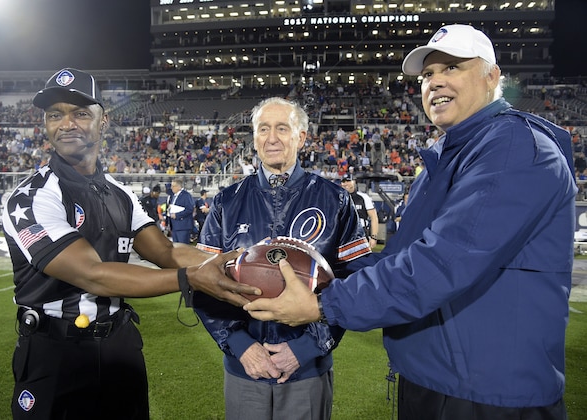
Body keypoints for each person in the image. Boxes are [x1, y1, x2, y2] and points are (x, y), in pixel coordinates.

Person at [245, 25, 576, 419]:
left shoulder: (512, 148)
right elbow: (401, 258)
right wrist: (318, 263)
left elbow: (440, 265)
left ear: (492, 76)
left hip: (488, 391)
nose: (435, 82)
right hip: (442, 377)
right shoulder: (451, 156)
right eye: (426, 76)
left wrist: (324, 303)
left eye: (451, 68)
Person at [3, 68, 258, 420]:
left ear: (103, 121)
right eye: (54, 115)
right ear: (45, 124)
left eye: (80, 113)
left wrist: (242, 264)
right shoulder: (30, 197)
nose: (66, 124)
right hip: (54, 350)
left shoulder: (120, 194)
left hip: (118, 345)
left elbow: (166, 251)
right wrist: (189, 279)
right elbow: (92, 274)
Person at [194, 97, 371, 420]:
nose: (271, 137)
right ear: (255, 137)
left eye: (281, 128)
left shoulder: (335, 200)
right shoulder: (226, 202)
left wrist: (306, 347)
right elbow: (203, 282)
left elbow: (355, 280)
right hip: (244, 366)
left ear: (301, 137)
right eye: (263, 129)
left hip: (306, 368)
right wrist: (240, 344)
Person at [340, 175, 379, 248]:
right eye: (343, 181)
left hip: (361, 234)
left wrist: (374, 237)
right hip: (343, 235)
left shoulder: (363, 197)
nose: (345, 184)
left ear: (354, 182)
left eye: (348, 181)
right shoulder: (338, 198)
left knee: (362, 259)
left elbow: (374, 217)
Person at [168, 178, 195, 244]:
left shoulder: (186, 196)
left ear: (179, 187)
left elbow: (189, 209)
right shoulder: (173, 196)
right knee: (176, 248)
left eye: (173, 186)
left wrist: (177, 215)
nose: (171, 188)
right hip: (175, 226)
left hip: (183, 226)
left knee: (183, 247)